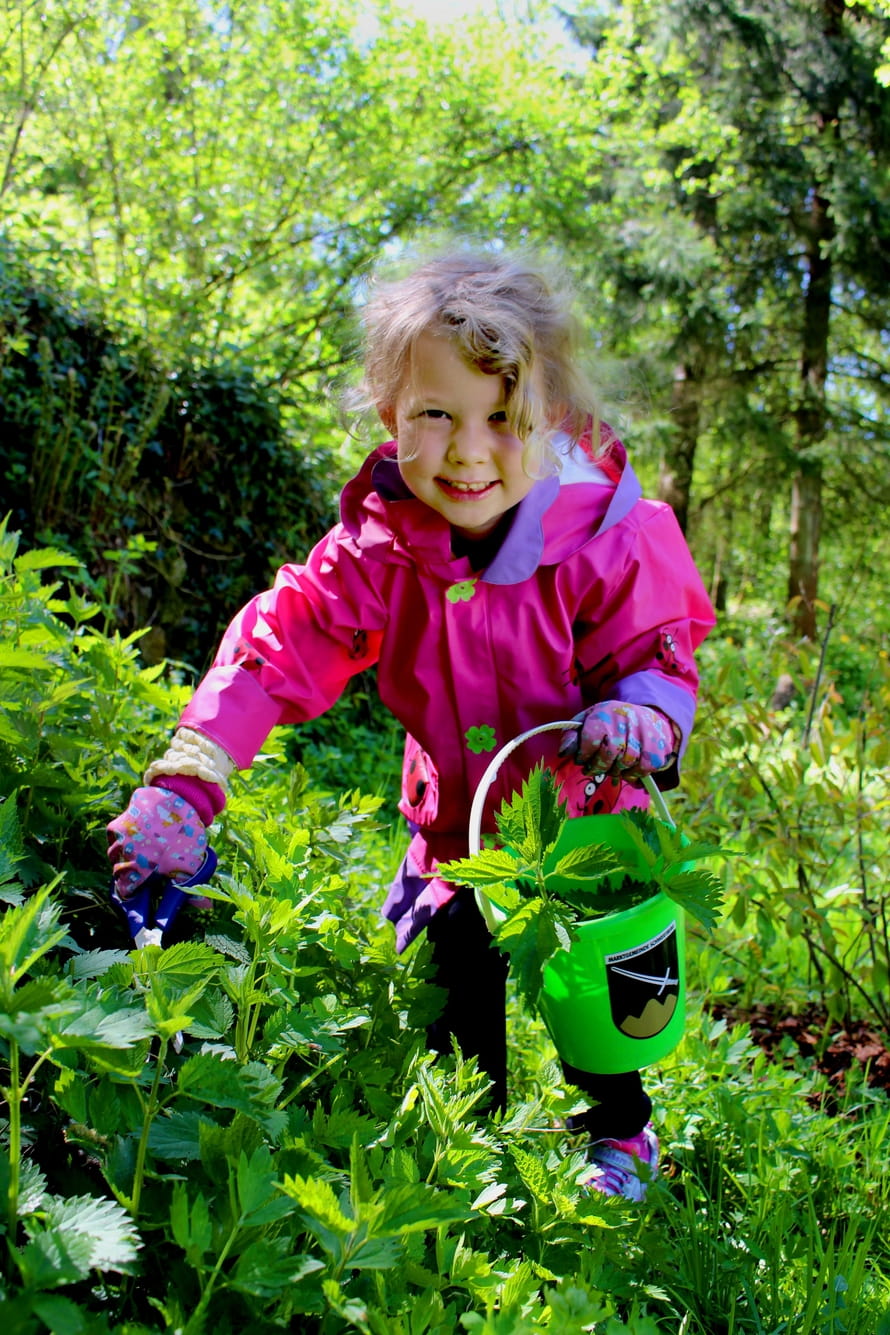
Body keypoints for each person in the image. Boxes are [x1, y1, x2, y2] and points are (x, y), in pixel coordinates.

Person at [107, 249, 715, 1201]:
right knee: (450, 977)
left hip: (578, 810)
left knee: (595, 988)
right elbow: (279, 651)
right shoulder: (376, 555)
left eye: (504, 421)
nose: (471, 452)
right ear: (391, 416)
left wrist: (643, 712)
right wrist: (188, 780)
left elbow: (657, 649)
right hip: (454, 829)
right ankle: (470, 1144)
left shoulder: (604, 538)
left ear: (549, 416)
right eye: (437, 414)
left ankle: (620, 1133)